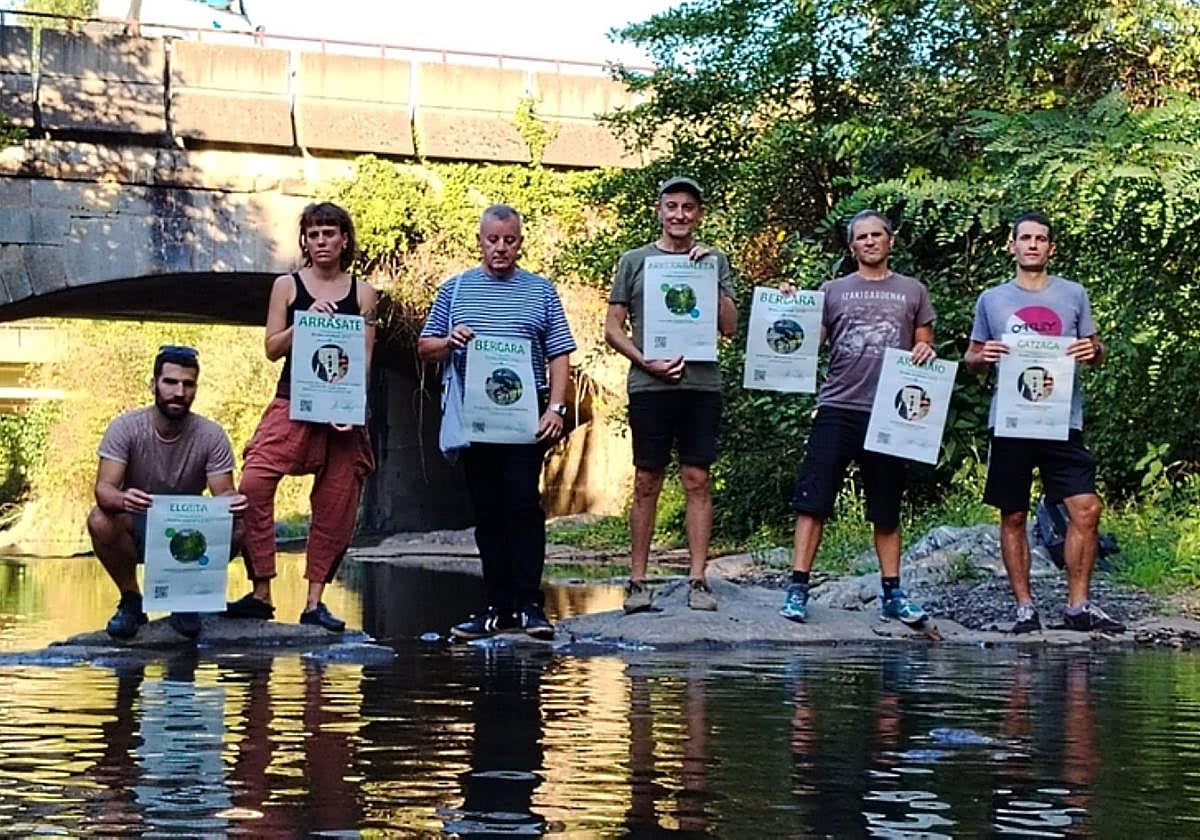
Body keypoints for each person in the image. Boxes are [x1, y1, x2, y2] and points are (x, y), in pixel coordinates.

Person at [418, 204, 576, 640]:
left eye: (509, 240)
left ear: (520, 242)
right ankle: (496, 606)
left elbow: (559, 353)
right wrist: (450, 341)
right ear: (480, 241)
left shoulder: (541, 291)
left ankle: (530, 606)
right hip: (476, 421)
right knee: (488, 513)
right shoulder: (456, 289)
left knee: (523, 505)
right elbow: (425, 345)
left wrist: (556, 409)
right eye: (493, 240)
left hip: (527, 421)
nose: (501, 248)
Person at [964, 211, 1124, 634]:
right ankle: (1024, 608)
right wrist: (985, 357)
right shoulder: (992, 300)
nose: (1032, 245)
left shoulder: (1073, 295)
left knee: (1086, 509)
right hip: (1012, 420)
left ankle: (1077, 606)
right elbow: (971, 360)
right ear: (1012, 246)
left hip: (1061, 419)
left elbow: (1096, 347)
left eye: (1041, 239)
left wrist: (1094, 352)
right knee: (1013, 515)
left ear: (1051, 248)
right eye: (1025, 238)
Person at [778, 210, 936, 625]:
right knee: (812, 502)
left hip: (890, 412)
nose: (869, 241)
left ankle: (892, 594)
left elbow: (925, 344)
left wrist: (925, 351)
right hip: (837, 406)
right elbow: (806, 342)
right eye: (861, 237)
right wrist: (789, 307)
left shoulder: (912, 291)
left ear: (890, 241)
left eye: (877, 235)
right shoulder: (832, 290)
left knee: (886, 508)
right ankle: (797, 589)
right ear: (852, 247)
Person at [226, 201, 377, 632]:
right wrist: (303, 324)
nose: (321, 241)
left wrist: (356, 407)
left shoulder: (363, 293)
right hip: (294, 398)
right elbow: (272, 348)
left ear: (344, 239)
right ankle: (261, 592)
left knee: (337, 502)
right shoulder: (286, 286)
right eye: (313, 234)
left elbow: (365, 357)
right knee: (254, 481)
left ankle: (314, 601)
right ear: (305, 241)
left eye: (329, 233)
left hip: (342, 409)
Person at [604, 176, 738, 613]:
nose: (680, 214)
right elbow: (612, 328)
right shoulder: (634, 260)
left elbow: (730, 327)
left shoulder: (713, 260)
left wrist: (708, 278)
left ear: (699, 214)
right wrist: (646, 362)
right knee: (646, 480)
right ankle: (637, 581)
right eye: (672, 206)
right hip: (650, 385)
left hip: (701, 385)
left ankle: (698, 580)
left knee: (698, 479)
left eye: (688, 207)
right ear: (659, 211)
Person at [88, 345, 247, 640]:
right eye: (170, 382)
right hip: (138, 522)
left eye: (188, 384)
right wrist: (125, 498)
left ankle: (185, 601)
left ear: (195, 389)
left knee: (238, 528)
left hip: (190, 531)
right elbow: (104, 490)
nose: (179, 392)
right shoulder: (125, 428)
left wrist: (233, 502)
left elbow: (223, 492)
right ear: (153, 385)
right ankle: (132, 601)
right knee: (99, 519)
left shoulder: (211, 435)